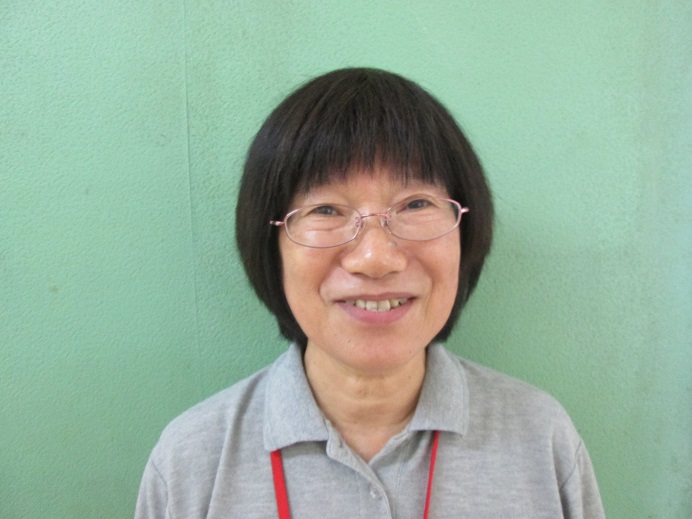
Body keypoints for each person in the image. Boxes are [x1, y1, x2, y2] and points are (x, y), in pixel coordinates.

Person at [135, 68, 605, 518]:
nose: (376, 258)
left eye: (416, 204)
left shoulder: (541, 440)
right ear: (269, 245)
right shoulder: (192, 462)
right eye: (325, 209)